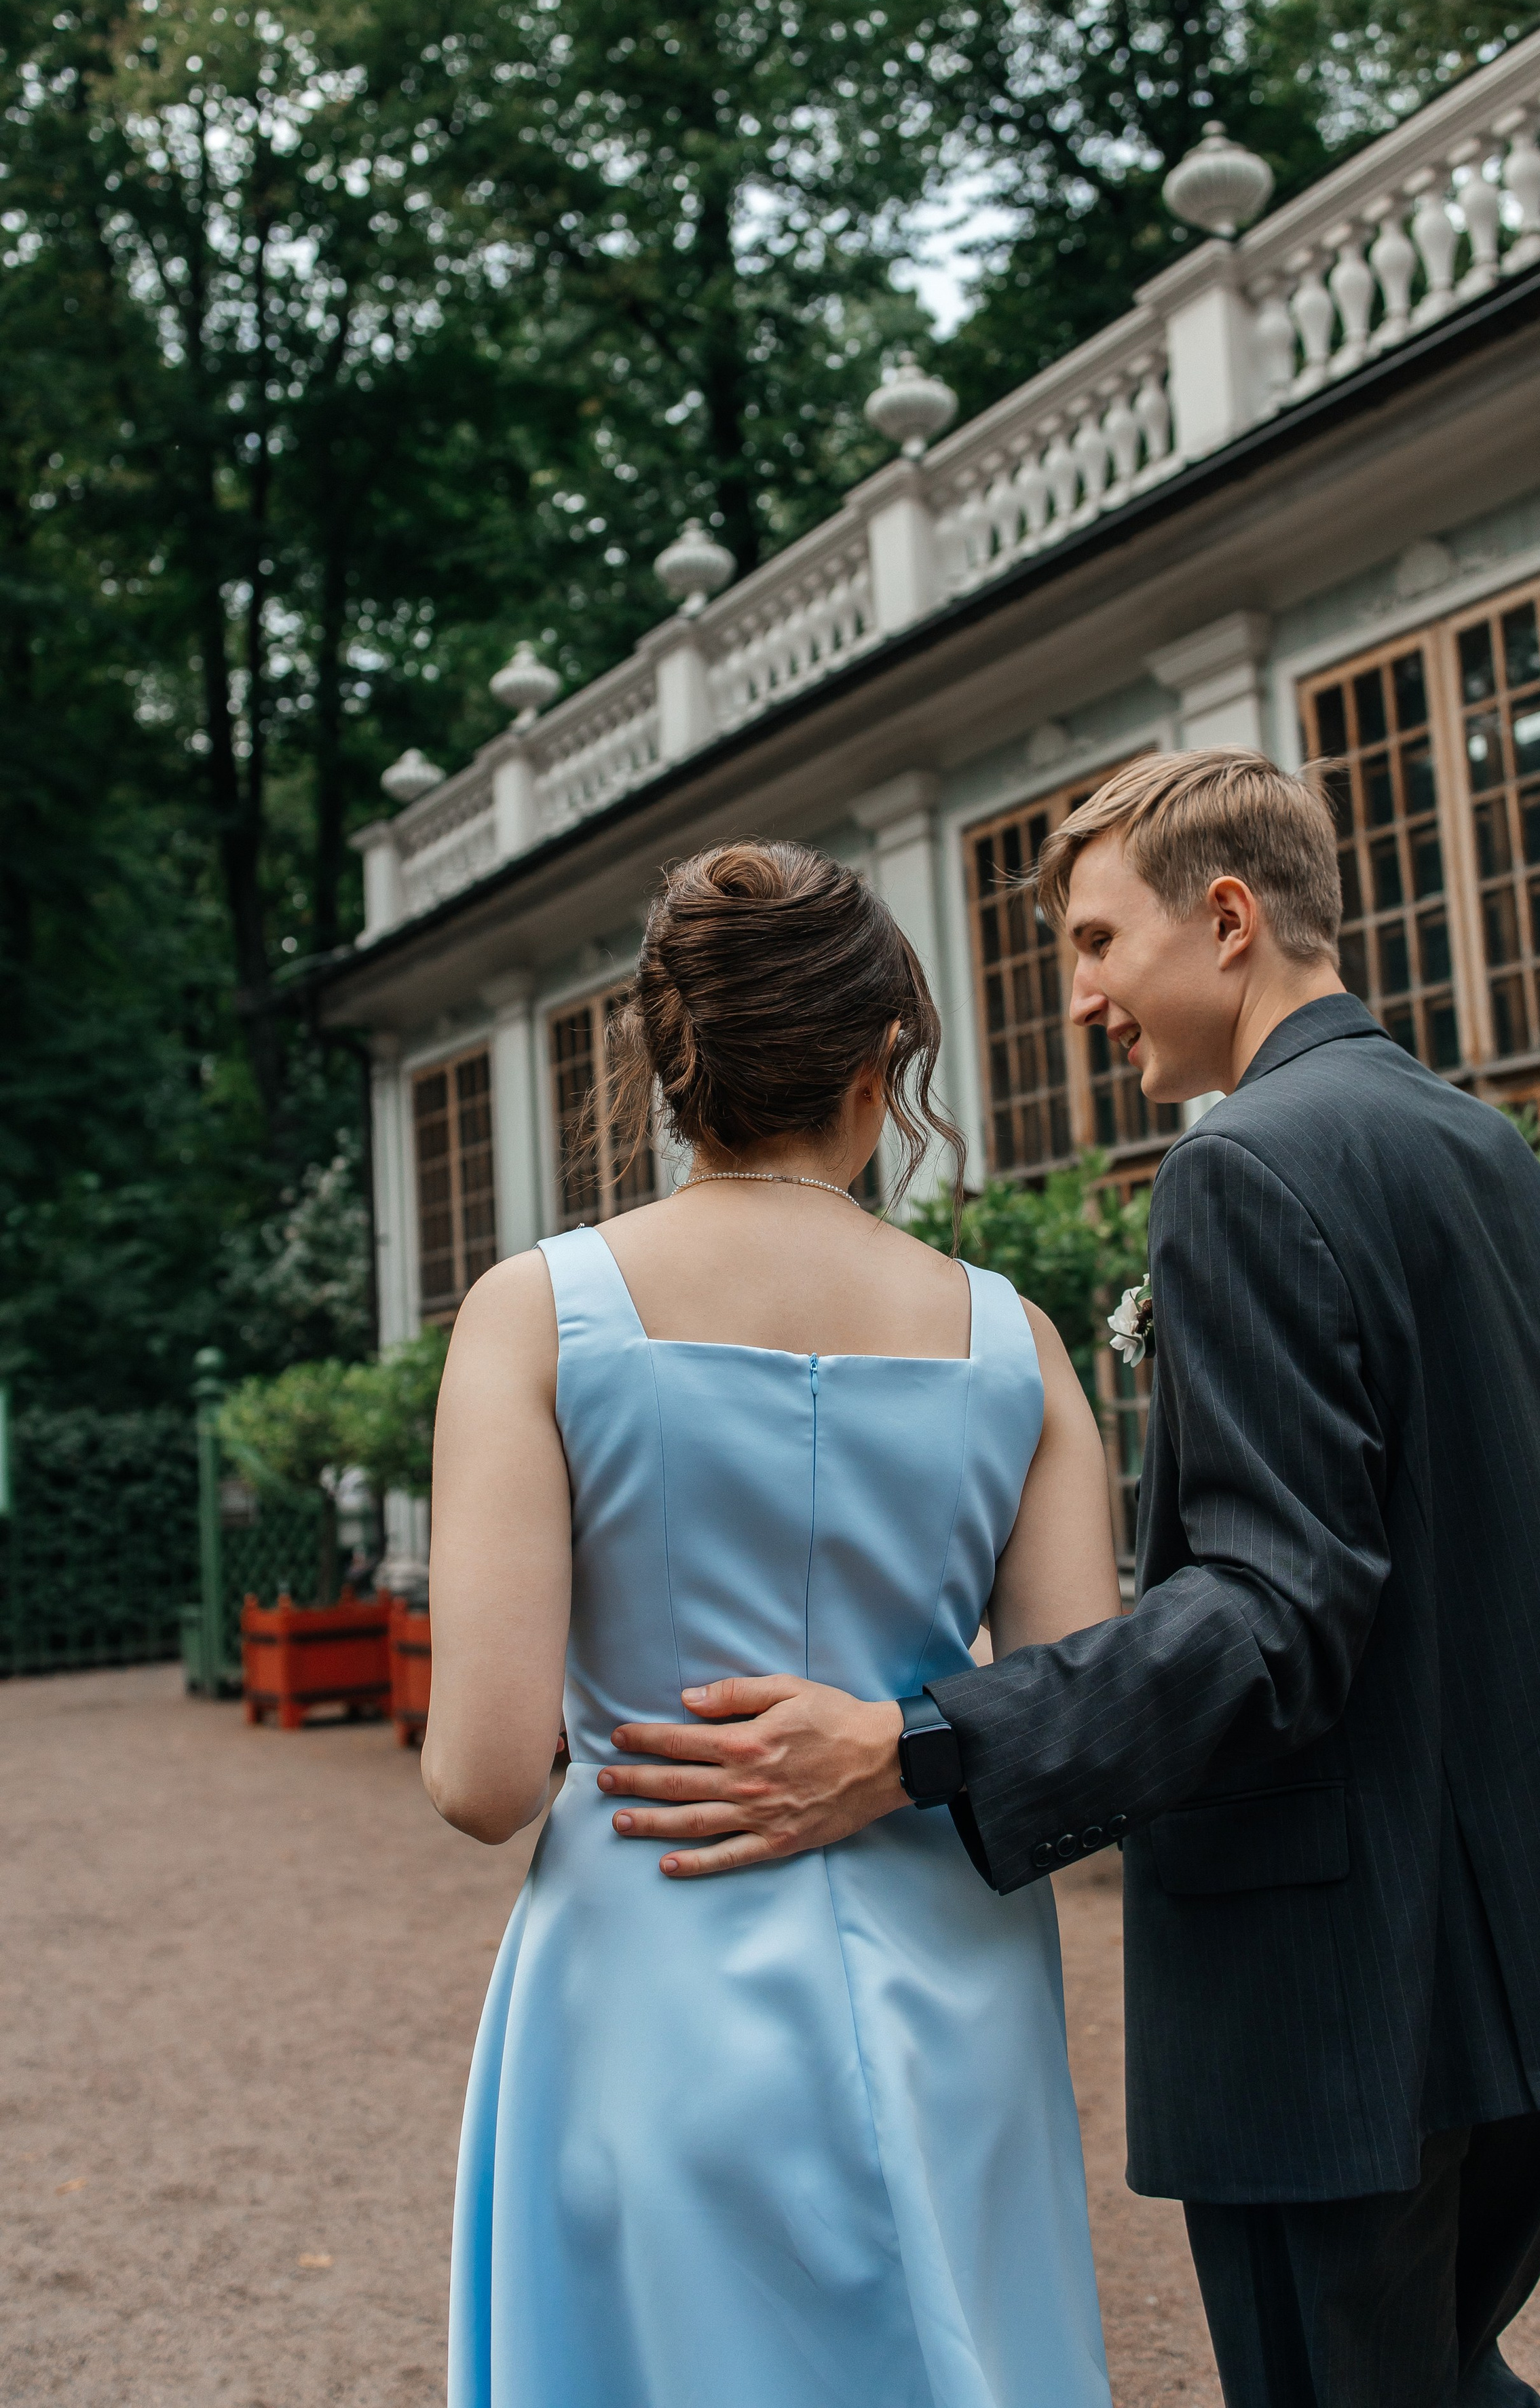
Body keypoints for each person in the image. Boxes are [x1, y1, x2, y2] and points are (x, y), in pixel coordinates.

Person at [603, 750, 1540, 2408]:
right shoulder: (1476, 1147)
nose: (1074, 1000)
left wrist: (914, 1747)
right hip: (1538, 1952)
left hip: (1338, 1983)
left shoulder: (1243, 1167)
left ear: (1224, 917)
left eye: (1096, 944)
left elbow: (1274, 1615)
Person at [421, 840, 1121, 2408]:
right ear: (883, 1066)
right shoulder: (1015, 1342)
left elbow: (479, 1779)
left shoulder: (535, 1313)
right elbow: (1080, 1734)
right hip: (952, 1986)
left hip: (645, 1972)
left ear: (671, 1064)